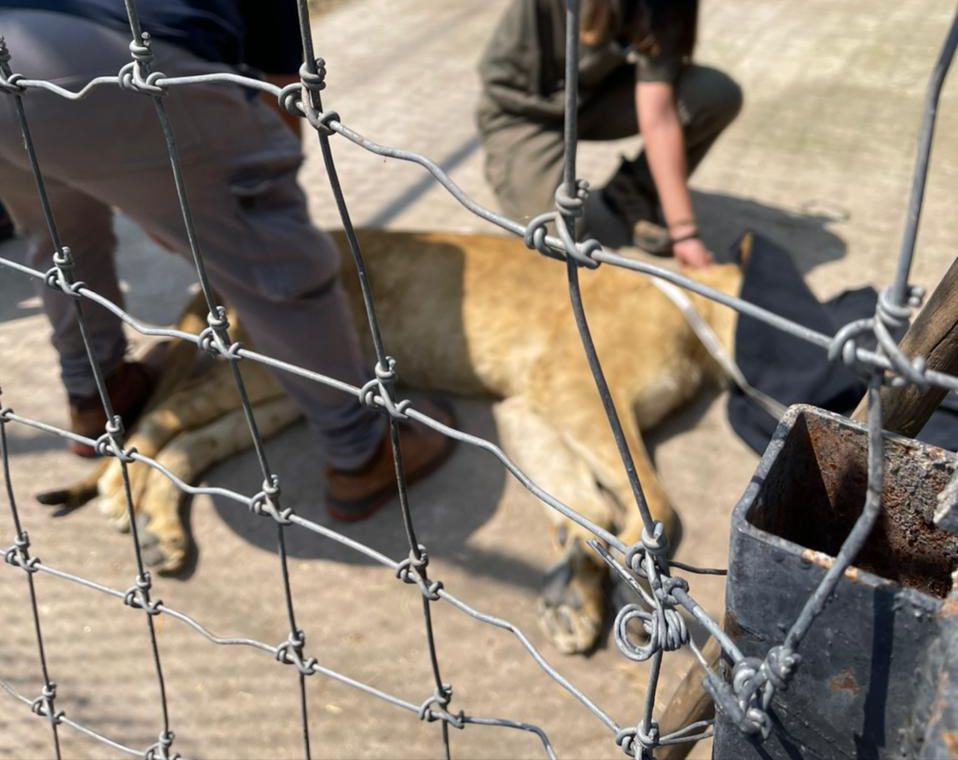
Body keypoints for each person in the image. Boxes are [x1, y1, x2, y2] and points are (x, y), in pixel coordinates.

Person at [0, 1, 453, 520]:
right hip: (109, 58)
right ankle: (364, 448)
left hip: (9, 42)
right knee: (275, 252)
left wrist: (156, 192)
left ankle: (95, 395)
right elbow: (278, 112)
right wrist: (227, 209)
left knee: (57, 236)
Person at [476, 0, 742, 268]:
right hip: (522, 113)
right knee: (560, 246)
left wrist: (684, 232)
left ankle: (632, 189)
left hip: (589, 95)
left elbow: (658, 115)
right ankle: (517, 168)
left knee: (715, 94)